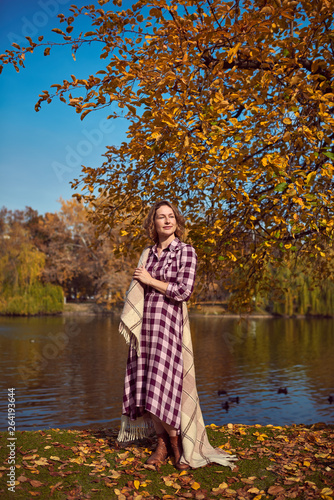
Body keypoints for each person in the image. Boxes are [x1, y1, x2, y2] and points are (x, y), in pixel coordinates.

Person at [118, 200, 237, 471]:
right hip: (145, 327)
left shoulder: (186, 251)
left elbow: (184, 291)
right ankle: (161, 445)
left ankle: (176, 444)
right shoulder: (147, 253)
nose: (167, 221)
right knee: (149, 386)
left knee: (167, 386)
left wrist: (151, 281)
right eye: (161, 217)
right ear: (154, 223)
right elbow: (135, 291)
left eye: (171, 216)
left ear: (177, 222)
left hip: (169, 328)